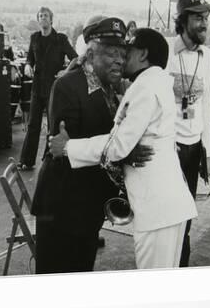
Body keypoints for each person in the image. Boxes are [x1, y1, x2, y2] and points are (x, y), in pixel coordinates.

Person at [50, 28, 198, 269]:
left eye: (127, 50)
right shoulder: (157, 83)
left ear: (142, 54)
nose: (122, 57)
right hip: (168, 207)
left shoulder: (145, 88)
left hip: (157, 210)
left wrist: (68, 147)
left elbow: (117, 146)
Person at [31, 16, 150, 274]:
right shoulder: (67, 85)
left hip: (87, 207)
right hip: (62, 208)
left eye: (122, 53)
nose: (119, 59)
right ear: (91, 52)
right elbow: (64, 149)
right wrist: (123, 150)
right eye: (111, 53)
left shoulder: (110, 87)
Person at [167, 0, 210, 267]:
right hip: (170, 148)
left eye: (206, 18)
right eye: (198, 17)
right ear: (183, 20)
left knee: (186, 217)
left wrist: (205, 149)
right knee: (170, 216)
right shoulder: (167, 52)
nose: (204, 23)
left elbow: (207, 104)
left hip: (194, 146)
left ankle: (181, 270)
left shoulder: (207, 56)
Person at [17, 7, 78, 170]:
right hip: (37, 87)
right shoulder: (34, 38)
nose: (43, 18)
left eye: (45, 16)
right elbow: (30, 58)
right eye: (40, 16)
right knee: (33, 124)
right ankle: (26, 160)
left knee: (52, 125)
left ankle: (49, 160)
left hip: (54, 88)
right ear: (38, 20)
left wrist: (65, 71)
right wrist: (28, 66)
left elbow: (76, 58)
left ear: (51, 19)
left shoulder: (60, 38)